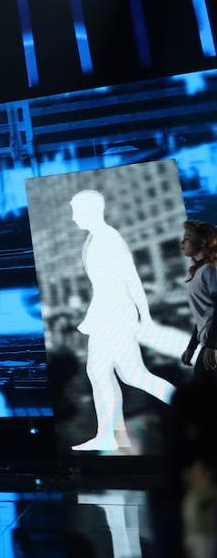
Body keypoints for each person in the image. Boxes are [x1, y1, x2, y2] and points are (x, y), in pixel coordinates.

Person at [69, 189, 175, 451]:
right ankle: (111, 435)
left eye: (75, 211)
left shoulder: (108, 238)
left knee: (131, 375)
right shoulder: (96, 238)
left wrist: (144, 315)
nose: (72, 218)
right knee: (107, 373)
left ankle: (197, 408)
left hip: (114, 314)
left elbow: (129, 279)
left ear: (90, 211)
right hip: (110, 313)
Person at [180, 220, 217, 371]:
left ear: (202, 242)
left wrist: (211, 345)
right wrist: (192, 347)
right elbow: (203, 316)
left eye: (187, 237)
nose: (182, 241)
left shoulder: (209, 271)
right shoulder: (199, 272)